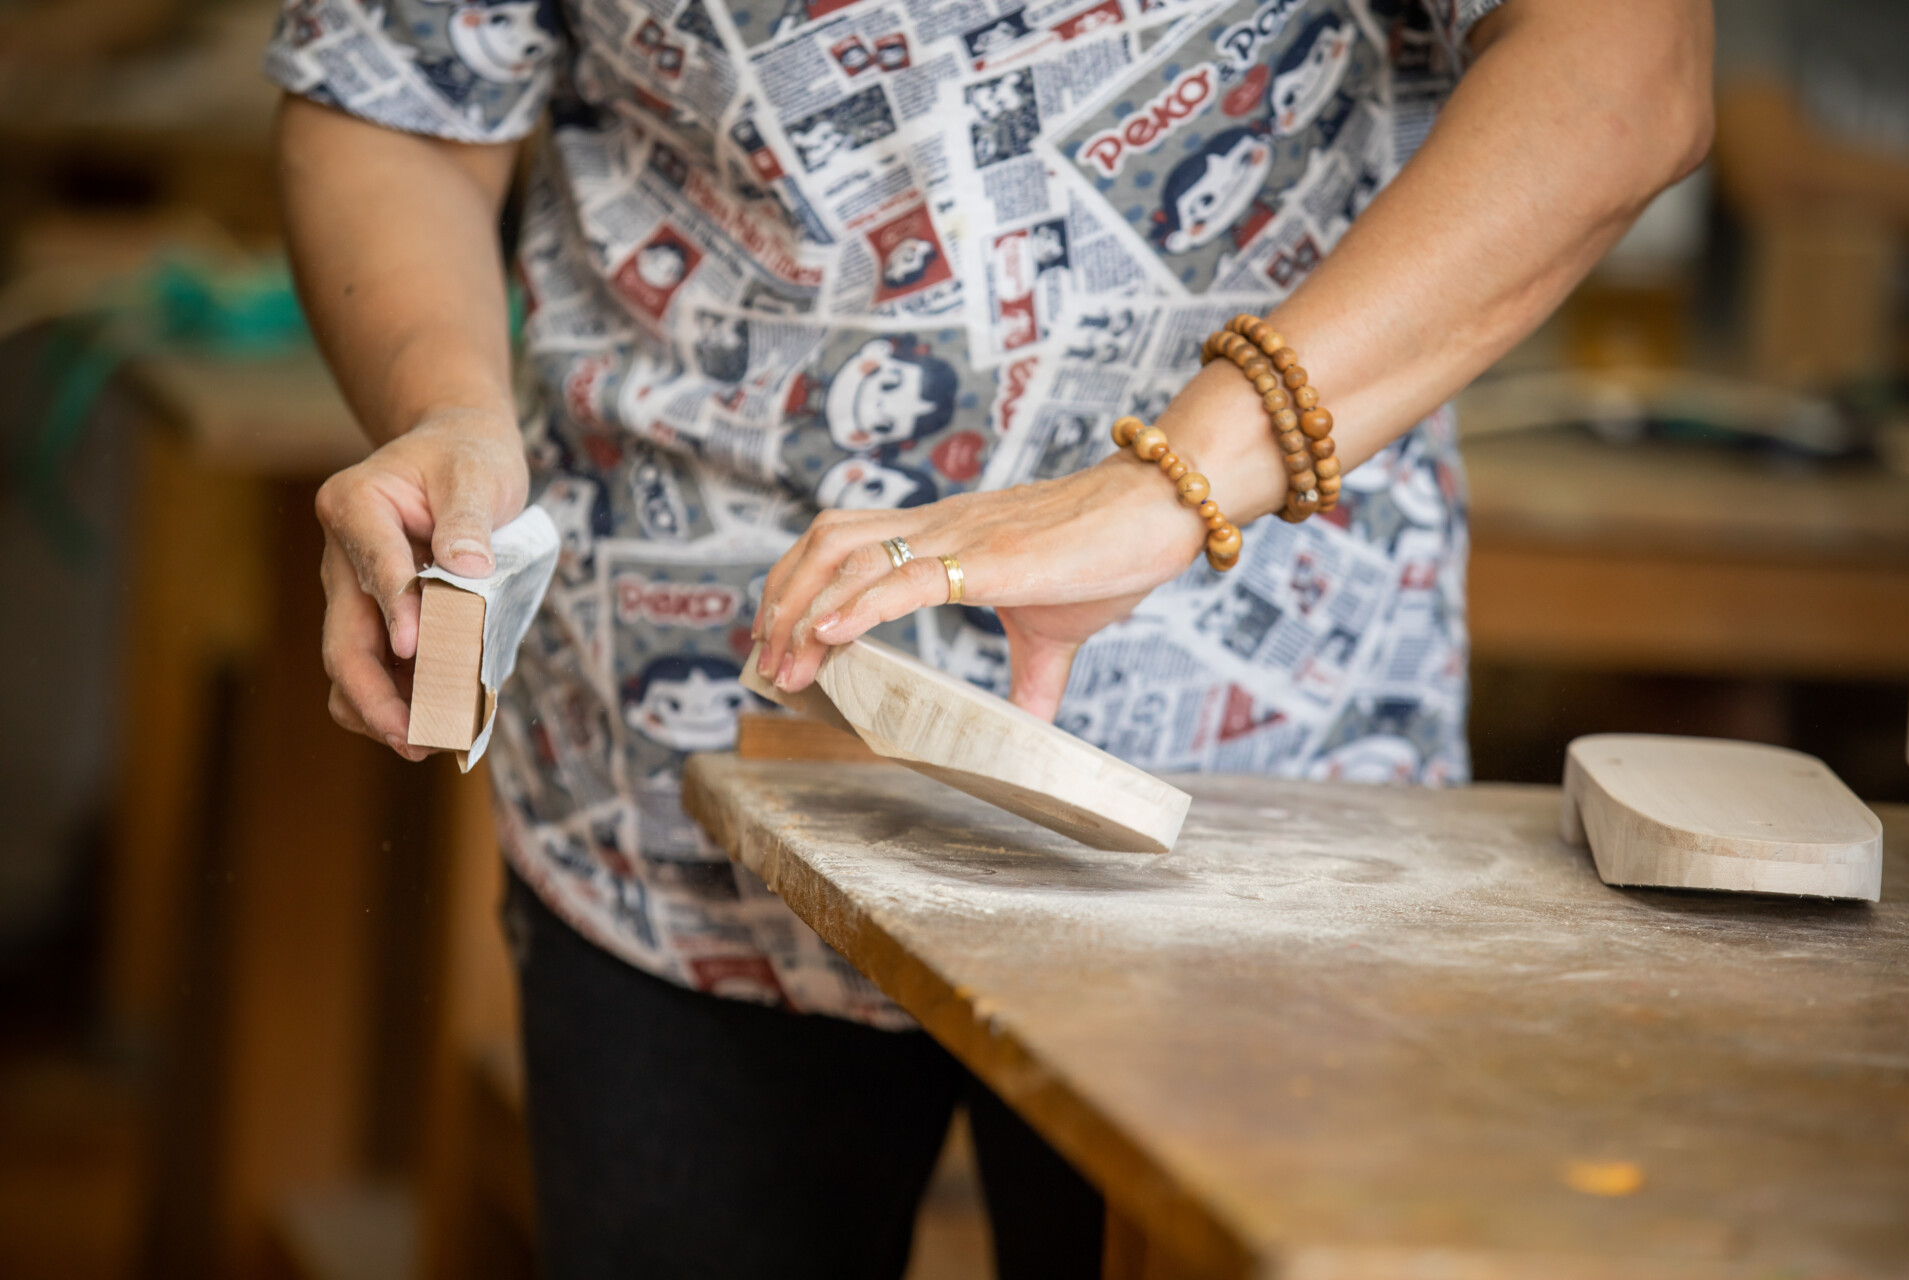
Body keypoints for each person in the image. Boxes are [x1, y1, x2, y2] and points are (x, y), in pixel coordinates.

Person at [274, 0, 1711, 1275]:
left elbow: (1625, 67)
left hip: (1264, 787)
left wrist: (1173, 483)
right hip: (672, 763)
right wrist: (444, 401)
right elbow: (392, 95)